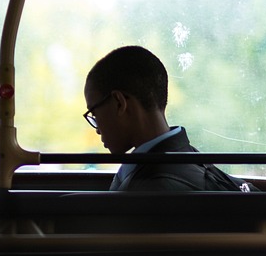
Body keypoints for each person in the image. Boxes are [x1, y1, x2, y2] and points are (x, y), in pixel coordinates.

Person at [83, 45, 251, 192]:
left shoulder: (148, 189)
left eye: (95, 114)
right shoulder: (189, 158)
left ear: (120, 103)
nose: (97, 129)